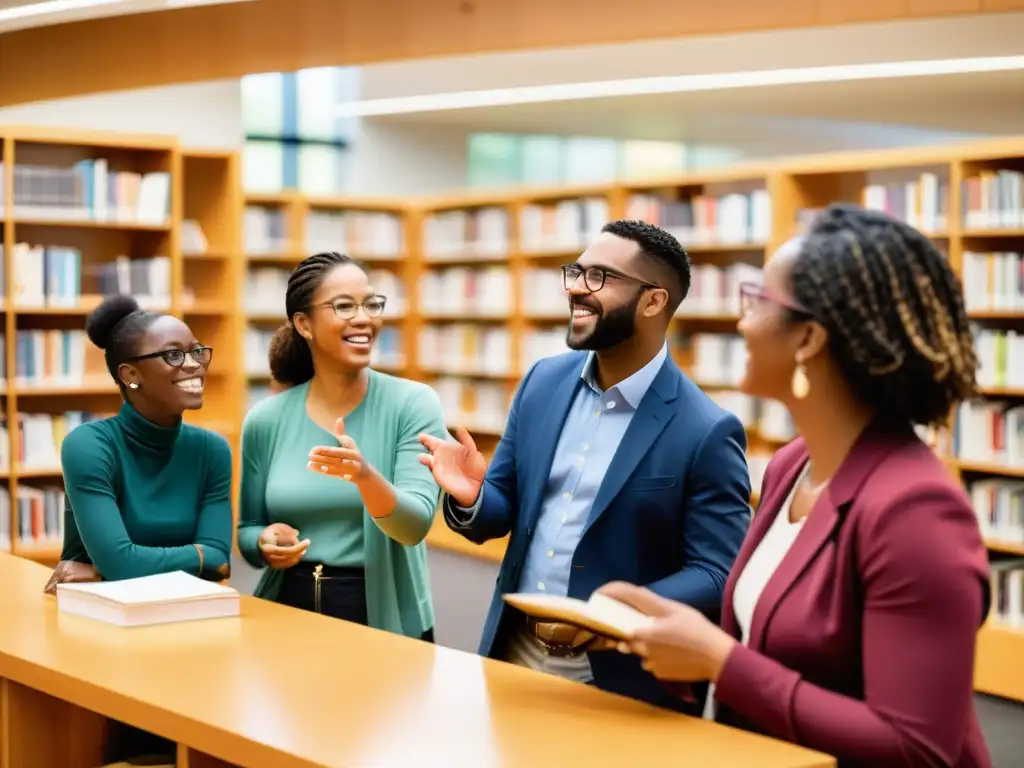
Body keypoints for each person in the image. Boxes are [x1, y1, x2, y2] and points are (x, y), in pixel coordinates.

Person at [599, 204, 992, 767]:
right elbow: (771, 642)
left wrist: (719, 661)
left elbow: (917, 748)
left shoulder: (917, 512)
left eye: (759, 301)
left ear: (808, 338)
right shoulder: (790, 467)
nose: (741, 322)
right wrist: (669, 636)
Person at [418, 219, 752, 713]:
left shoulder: (705, 429)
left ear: (653, 301)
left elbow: (717, 571)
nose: (576, 287)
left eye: (599, 276)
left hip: (621, 674)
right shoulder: (542, 382)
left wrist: (611, 613)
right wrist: (471, 496)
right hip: (513, 651)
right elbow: (501, 511)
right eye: (575, 272)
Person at [48, 294, 233, 765]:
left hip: (191, 633)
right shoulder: (89, 445)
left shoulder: (212, 449)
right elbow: (136, 560)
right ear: (130, 375)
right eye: (173, 354)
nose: (193, 364)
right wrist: (189, 557)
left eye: (196, 351)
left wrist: (112, 569)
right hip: (104, 641)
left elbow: (221, 558)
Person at [238, 251, 447, 641]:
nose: (364, 318)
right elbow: (247, 532)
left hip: (382, 618)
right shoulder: (265, 420)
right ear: (304, 324)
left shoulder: (413, 404)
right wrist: (263, 542)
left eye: (371, 303)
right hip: (286, 618)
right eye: (344, 306)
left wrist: (365, 477)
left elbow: (415, 525)